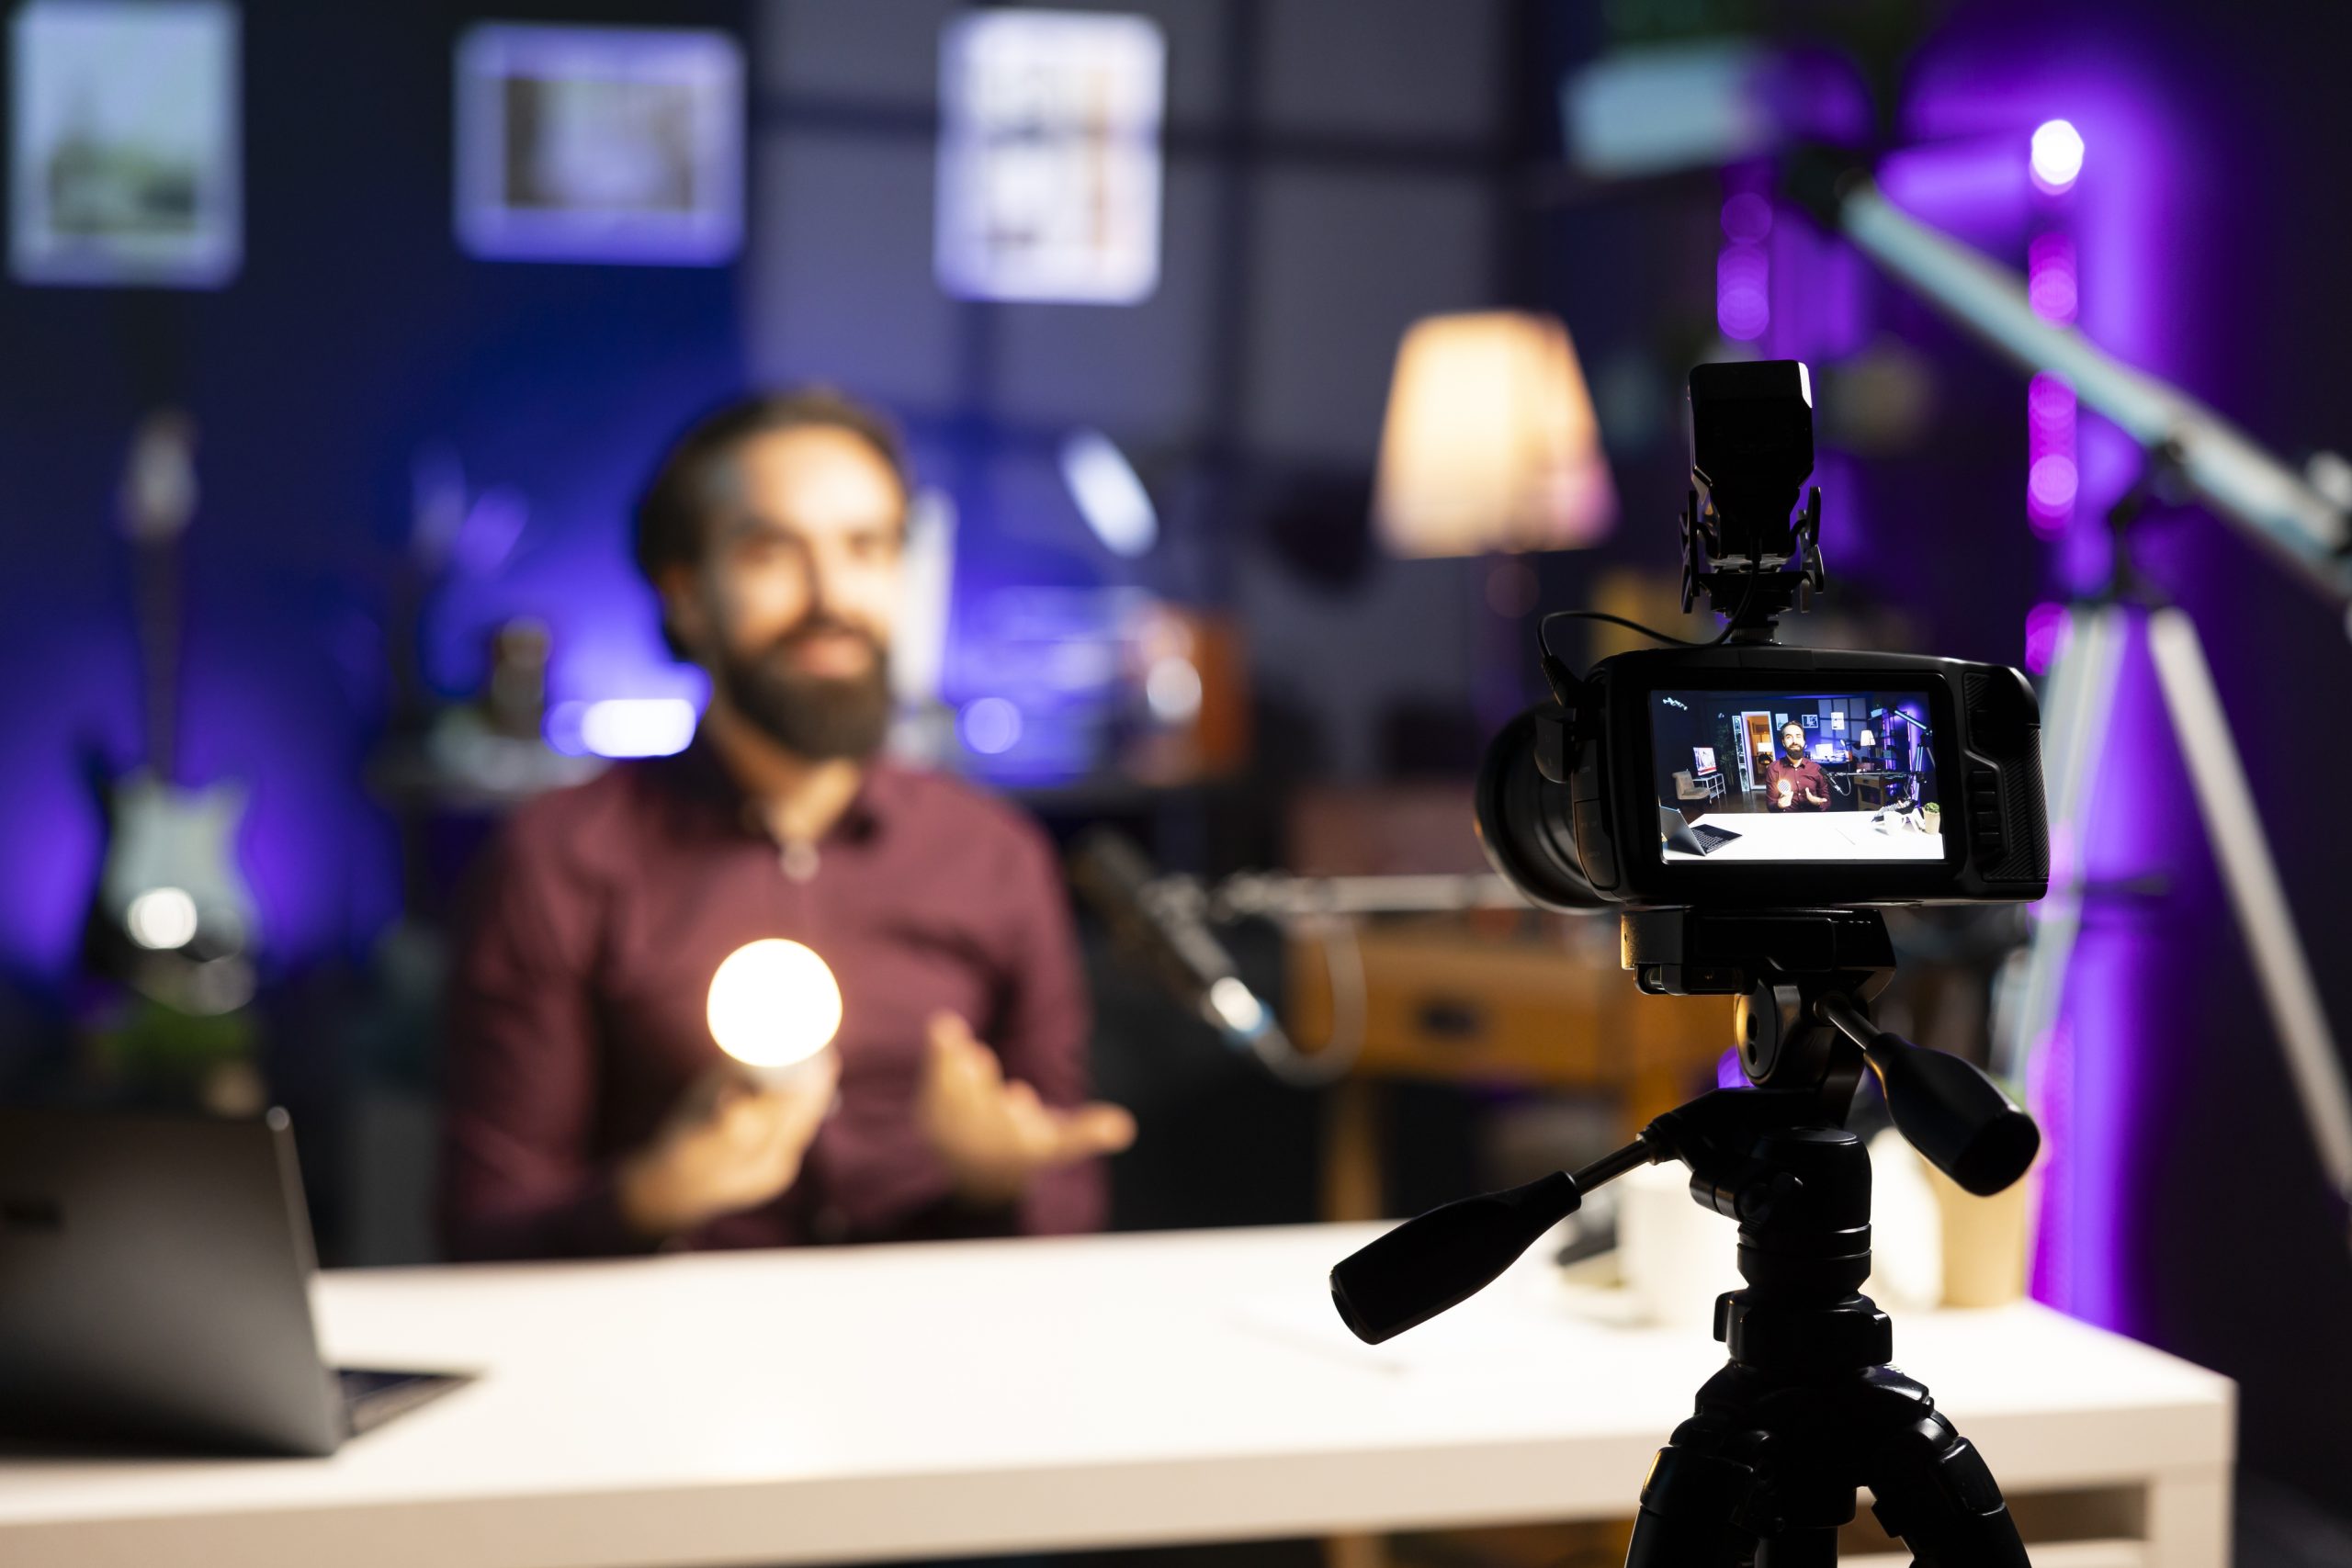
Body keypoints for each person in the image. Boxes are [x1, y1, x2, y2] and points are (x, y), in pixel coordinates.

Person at [437, 389, 1136, 1259]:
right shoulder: (560, 862)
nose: (831, 595)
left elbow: (1072, 1198)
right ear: (686, 593)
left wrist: (1001, 1174)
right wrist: (653, 1195)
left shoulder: (994, 855)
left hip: (937, 1340)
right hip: (660, 1353)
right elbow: (484, 1232)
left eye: (866, 548)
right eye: (774, 552)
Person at [1763, 721, 1830, 813]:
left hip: (1813, 819)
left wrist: (1818, 804)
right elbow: (1770, 805)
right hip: (1787, 822)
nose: (1794, 741)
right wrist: (1779, 805)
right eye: (1789, 737)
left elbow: (1827, 801)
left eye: (1798, 736)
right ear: (1783, 742)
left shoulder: (1817, 769)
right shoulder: (1773, 769)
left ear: (1804, 741)